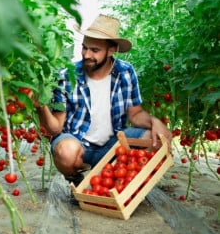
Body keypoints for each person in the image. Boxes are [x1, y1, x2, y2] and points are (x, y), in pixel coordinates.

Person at [35, 14, 172, 187]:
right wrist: (41, 107)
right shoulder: (66, 76)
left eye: (94, 50)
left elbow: (135, 114)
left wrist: (154, 122)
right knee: (65, 150)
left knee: (156, 140)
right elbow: (56, 127)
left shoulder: (125, 72)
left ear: (111, 50)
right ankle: (78, 180)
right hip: (79, 147)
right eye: (84, 48)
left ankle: (118, 180)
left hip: (113, 146)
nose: (86, 54)